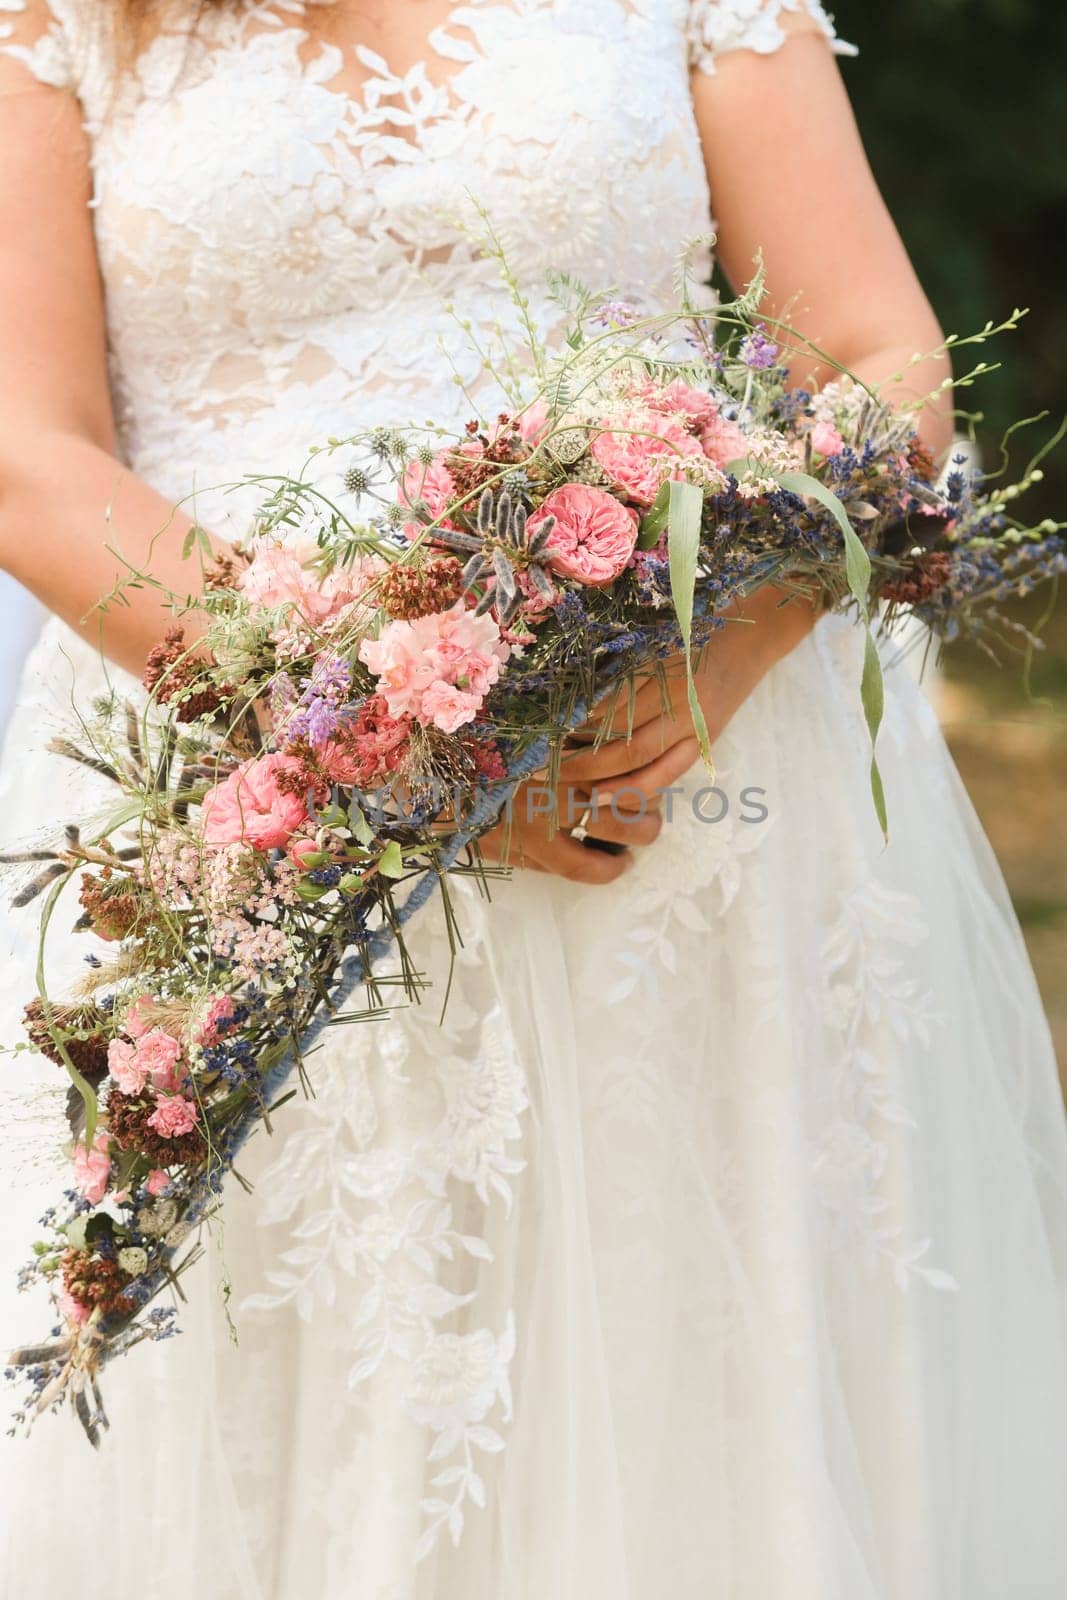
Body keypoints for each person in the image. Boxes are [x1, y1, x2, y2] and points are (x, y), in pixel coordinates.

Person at [1, 3, 1066, 1595]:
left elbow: (874, 359)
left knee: (702, 1380)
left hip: (692, 785)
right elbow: (27, 450)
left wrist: (734, 636)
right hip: (255, 805)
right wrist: (383, 754)